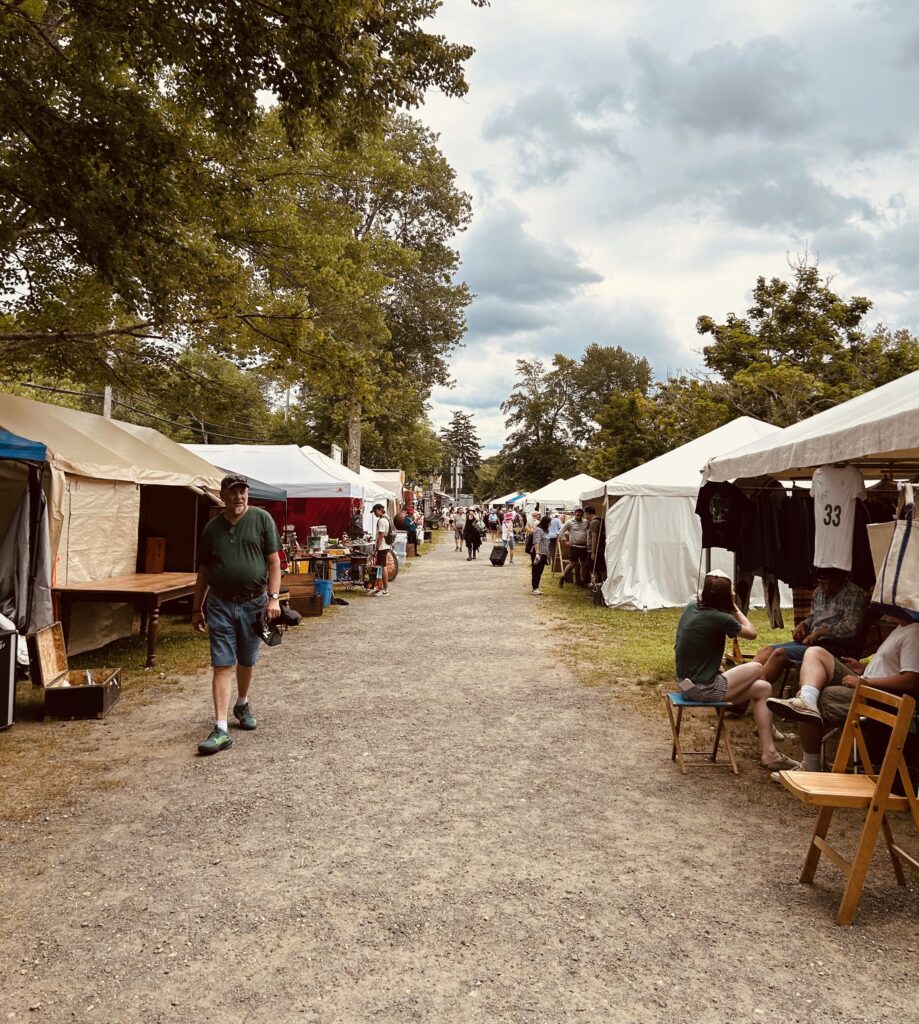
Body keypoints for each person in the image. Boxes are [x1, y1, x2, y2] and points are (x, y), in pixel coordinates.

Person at [192, 474, 282, 756]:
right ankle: (220, 728)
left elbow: (274, 562)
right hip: (220, 604)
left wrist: (274, 599)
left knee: (247, 658)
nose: (239, 497)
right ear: (222, 495)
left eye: (243, 492)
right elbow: (204, 572)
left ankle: (242, 703)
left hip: (254, 604)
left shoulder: (262, 519)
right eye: (233, 493)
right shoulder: (212, 528)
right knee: (222, 663)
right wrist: (197, 608)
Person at [675, 570, 799, 771]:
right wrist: (734, 608)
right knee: (758, 667)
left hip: (686, 684)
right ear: (725, 597)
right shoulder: (719, 617)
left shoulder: (691, 607)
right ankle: (764, 725)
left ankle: (769, 754)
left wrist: (712, 667)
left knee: (763, 688)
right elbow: (752, 633)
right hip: (701, 689)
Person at [767, 613, 919, 775]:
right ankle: (807, 698)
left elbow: (912, 681)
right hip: (864, 681)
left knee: (821, 697)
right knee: (815, 652)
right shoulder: (901, 627)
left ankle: (810, 767)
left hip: (877, 696)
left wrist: (867, 683)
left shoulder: (915, 632)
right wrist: (864, 667)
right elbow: (892, 665)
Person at [753, 566, 867, 685]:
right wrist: (803, 625)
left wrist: (820, 633)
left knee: (779, 654)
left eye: (831, 583)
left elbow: (852, 627)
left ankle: (751, 692)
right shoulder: (819, 592)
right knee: (765, 651)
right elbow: (813, 617)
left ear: (841, 578)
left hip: (836, 647)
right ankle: (739, 683)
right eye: (822, 583)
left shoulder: (853, 593)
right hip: (813, 643)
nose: (826, 588)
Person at [557, 508, 590, 588]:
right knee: (572, 563)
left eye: (581, 515)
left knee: (583, 564)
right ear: (574, 514)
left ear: (583, 515)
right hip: (574, 546)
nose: (579, 516)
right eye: (578, 514)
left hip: (584, 547)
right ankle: (563, 577)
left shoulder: (586, 522)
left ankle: (582, 581)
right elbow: (561, 531)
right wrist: (565, 541)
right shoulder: (569, 522)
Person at [371, 503, 393, 596]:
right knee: (380, 567)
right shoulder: (387, 517)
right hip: (385, 545)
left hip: (382, 546)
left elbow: (381, 535)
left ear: (378, 510)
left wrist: (376, 547)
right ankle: (379, 588)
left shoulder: (381, 521)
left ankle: (385, 590)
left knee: (383, 567)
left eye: (375, 512)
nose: (374, 514)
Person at [530, 514, 550, 594]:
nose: (550, 524)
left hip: (543, 553)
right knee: (536, 571)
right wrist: (537, 553)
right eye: (549, 523)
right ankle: (535, 588)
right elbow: (536, 542)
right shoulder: (538, 530)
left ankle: (536, 587)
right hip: (538, 553)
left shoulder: (545, 530)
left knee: (540, 571)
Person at [585, 505, 605, 584]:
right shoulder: (601, 520)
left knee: (593, 569)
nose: (585, 517)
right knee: (601, 569)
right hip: (601, 549)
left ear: (587, 513)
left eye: (585, 514)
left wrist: (593, 552)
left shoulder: (594, 522)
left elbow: (594, 537)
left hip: (595, 550)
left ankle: (594, 588)